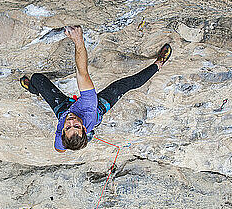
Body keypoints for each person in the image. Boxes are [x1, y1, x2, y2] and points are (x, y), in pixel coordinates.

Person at [20, 25, 171, 152]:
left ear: (62, 133)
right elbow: (82, 73)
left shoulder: (61, 139)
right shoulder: (88, 108)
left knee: (37, 79)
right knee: (126, 84)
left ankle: (34, 90)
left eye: (68, 127)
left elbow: (59, 149)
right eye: (77, 126)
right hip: (98, 108)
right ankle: (159, 63)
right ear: (84, 128)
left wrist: (68, 129)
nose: (71, 122)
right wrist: (79, 41)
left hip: (63, 110)